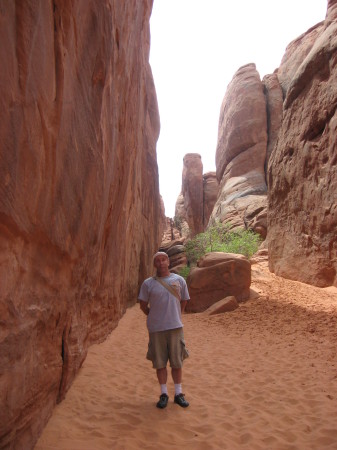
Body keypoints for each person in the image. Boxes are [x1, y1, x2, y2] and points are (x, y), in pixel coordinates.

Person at [138, 251, 190, 409]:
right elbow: (142, 305)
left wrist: (176, 315)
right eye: (157, 261)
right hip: (156, 329)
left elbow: (184, 300)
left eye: (163, 259)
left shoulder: (179, 280)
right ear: (155, 264)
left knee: (177, 362)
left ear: (168, 262)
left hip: (175, 326)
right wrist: (153, 316)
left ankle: (179, 393)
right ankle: (164, 394)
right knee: (160, 363)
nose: (161, 263)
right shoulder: (148, 283)